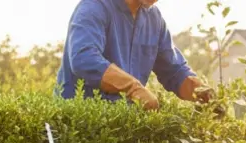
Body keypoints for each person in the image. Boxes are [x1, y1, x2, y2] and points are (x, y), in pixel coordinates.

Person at [57, 0, 212, 110]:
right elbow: (84, 59)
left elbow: (175, 71)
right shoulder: (94, 7)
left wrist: (202, 94)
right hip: (79, 129)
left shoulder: (154, 18)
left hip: (123, 130)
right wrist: (132, 88)